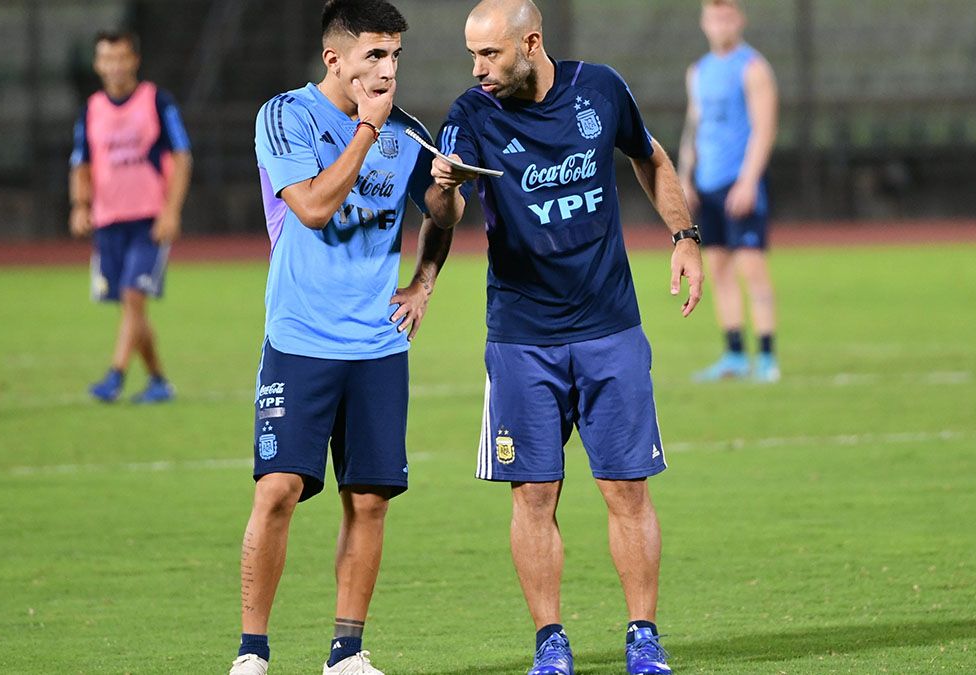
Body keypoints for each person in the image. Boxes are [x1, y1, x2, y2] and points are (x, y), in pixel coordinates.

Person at [423, 1, 703, 673]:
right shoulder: (470, 114)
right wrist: (444, 187)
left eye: (490, 54)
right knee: (533, 495)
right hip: (522, 337)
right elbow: (445, 211)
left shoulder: (599, 89)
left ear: (531, 43)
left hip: (610, 326)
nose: (477, 69)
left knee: (627, 491)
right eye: (472, 55)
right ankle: (550, 642)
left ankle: (643, 636)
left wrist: (685, 235)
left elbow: (650, 157)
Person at [228, 2, 452, 674]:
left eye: (396, 56)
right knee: (277, 490)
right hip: (300, 338)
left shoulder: (407, 133)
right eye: (374, 55)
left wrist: (426, 273)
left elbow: (442, 214)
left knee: (370, 501)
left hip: (378, 345)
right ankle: (252, 652)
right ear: (335, 59)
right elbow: (314, 208)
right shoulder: (286, 116)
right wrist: (366, 130)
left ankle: (346, 653)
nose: (388, 70)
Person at [69, 29, 192, 403]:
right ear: (97, 64)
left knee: (133, 296)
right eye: (108, 58)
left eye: (122, 57)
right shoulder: (91, 109)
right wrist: (80, 205)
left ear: (135, 60)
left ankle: (115, 375)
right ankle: (158, 381)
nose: (115, 66)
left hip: (148, 220)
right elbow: (81, 163)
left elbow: (182, 156)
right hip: (108, 221)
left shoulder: (156, 101)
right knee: (130, 306)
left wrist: (171, 211)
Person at [678, 0, 780, 382]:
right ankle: (734, 354)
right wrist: (685, 176)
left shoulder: (753, 68)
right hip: (707, 185)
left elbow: (764, 128)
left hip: (740, 183)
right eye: (714, 17)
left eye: (727, 17)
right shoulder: (698, 71)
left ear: (740, 20)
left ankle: (767, 357)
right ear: (704, 22)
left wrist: (749, 181)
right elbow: (695, 127)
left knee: (752, 267)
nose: (720, 24)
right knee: (718, 268)